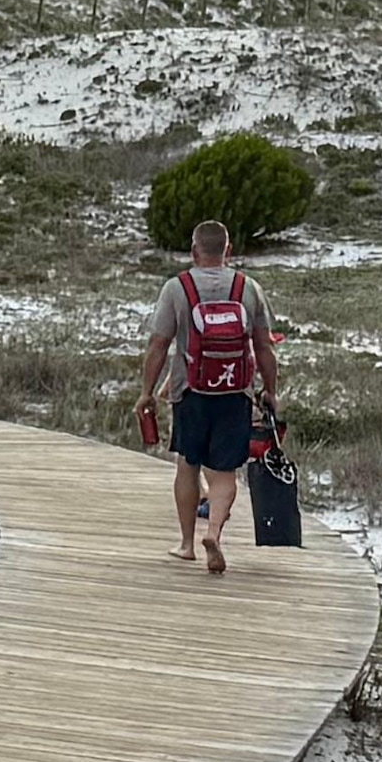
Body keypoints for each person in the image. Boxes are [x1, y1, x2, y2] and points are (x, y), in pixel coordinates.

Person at [134, 217, 281, 573]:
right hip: (236, 392)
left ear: (194, 251)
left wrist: (147, 392)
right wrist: (271, 391)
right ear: (228, 250)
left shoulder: (177, 288)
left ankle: (187, 545)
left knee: (188, 466)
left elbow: (158, 345)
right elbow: (265, 347)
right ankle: (213, 532)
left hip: (190, 392)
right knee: (225, 472)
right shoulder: (248, 288)